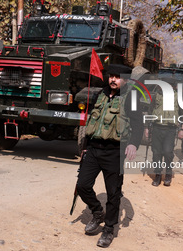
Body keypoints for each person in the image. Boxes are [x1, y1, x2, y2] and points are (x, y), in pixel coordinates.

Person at [76, 64, 143, 248]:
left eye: (117, 77)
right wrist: (85, 146)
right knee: (82, 185)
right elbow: (92, 121)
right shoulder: (101, 94)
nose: (113, 79)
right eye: (111, 76)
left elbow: (138, 124)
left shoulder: (132, 97)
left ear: (126, 80)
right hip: (94, 149)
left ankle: (108, 229)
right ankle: (98, 212)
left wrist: (132, 144)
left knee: (113, 194)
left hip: (115, 152)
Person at [149, 81, 183, 187]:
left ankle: (168, 174)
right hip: (156, 127)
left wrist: (182, 128)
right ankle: (158, 175)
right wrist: (147, 127)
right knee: (156, 153)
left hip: (170, 129)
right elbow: (150, 111)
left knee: (168, 152)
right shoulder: (156, 95)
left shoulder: (178, 96)